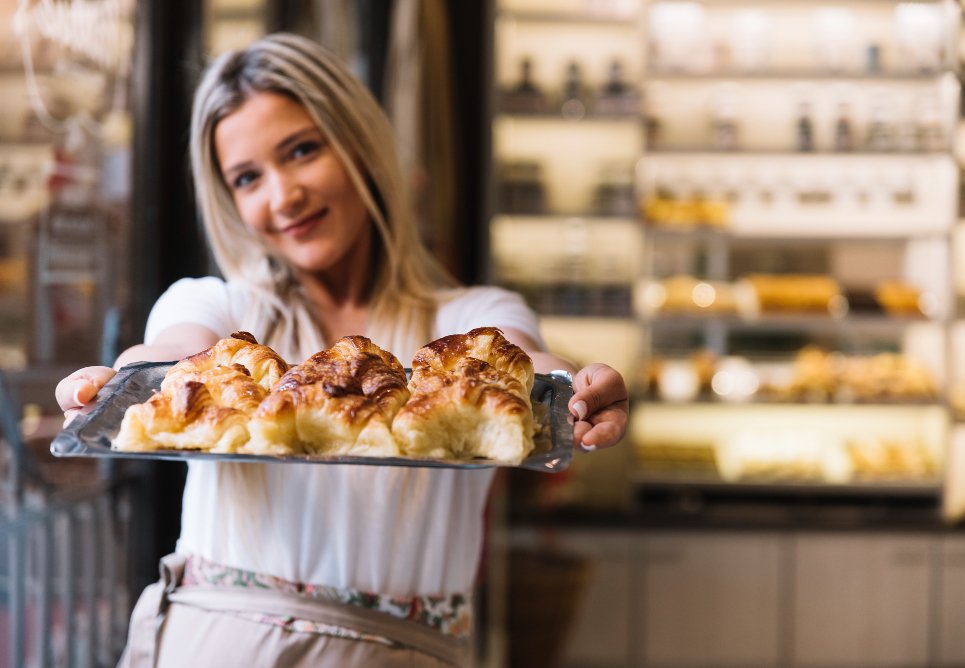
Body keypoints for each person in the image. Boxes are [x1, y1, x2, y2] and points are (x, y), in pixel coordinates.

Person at [55, 32, 629, 668]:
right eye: (248, 178)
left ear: (359, 143)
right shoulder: (217, 309)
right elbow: (172, 358)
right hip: (218, 644)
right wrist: (115, 383)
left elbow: (523, 367)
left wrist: (576, 390)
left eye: (301, 150)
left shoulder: (474, 322)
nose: (282, 197)